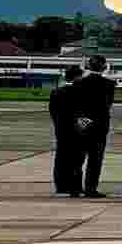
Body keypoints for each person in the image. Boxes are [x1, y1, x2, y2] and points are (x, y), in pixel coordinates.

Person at [72, 53, 115, 198]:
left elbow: (75, 105)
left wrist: (82, 119)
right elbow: (107, 105)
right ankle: (90, 188)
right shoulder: (109, 84)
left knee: (78, 158)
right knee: (95, 159)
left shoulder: (78, 82)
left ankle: (75, 188)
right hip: (99, 124)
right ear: (104, 67)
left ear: (88, 66)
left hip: (82, 123)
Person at [48, 65, 85, 197]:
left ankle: (61, 186)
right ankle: (75, 187)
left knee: (61, 157)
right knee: (76, 160)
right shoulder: (81, 92)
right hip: (77, 130)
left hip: (61, 129)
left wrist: (59, 125)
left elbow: (53, 112)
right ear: (77, 77)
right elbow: (84, 113)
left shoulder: (56, 92)